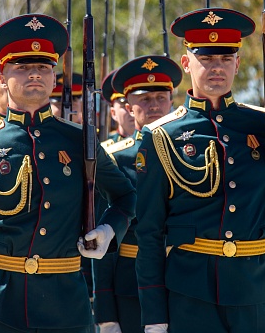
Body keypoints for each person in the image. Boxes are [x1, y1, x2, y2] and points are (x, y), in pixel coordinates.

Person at [134, 7, 265, 333]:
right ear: (186, 64)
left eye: (226, 59)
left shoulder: (263, 125)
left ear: (238, 64)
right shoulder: (160, 136)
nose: (217, 68)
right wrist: (154, 316)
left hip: (254, 292)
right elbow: (150, 234)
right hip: (189, 295)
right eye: (206, 59)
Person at [0, 14, 136, 333]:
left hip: (67, 306)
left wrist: (108, 231)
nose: (34, 74)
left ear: (54, 78)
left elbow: (126, 195)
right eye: (22, 67)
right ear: (2, 78)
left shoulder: (79, 139)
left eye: (44, 67)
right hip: (0, 307)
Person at [94, 55, 182, 333]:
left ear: (172, 101)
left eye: (160, 96)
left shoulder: (190, 152)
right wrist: (106, 314)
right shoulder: (113, 160)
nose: (154, 105)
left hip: (187, 278)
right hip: (131, 284)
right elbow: (102, 242)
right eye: (144, 99)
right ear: (129, 107)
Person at [101, 69, 135, 143]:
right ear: (113, 113)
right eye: (124, 105)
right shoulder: (105, 150)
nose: (131, 110)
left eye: (135, 104)